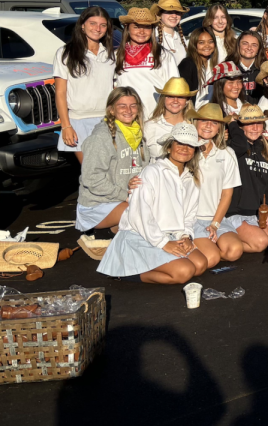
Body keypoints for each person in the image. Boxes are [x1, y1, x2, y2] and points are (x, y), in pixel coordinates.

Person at [96, 122, 208, 284]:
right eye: (180, 143)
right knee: (185, 271)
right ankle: (127, 274)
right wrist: (163, 243)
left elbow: (189, 216)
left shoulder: (191, 179)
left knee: (200, 264)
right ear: (169, 147)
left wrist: (185, 236)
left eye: (190, 146)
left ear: (194, 152)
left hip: (171, 234)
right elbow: (139, 213)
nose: (184, 148)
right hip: (142, 235)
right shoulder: (152, 171)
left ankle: (156, 264)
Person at [76, 87, 148, 234]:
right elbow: (91, 179)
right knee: (143, 213)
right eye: (122, 105)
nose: (128, 110)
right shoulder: (101, 137)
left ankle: (116, 233)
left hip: (124, 198)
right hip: (97, 204)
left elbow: (145, 168)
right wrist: (125, 195)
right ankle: (102, 234)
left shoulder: (137, 133)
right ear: (112, 110)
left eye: (133, 105)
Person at [54, 6, 117, 161]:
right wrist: (66, 126)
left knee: (111, 172)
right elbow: (60, 93)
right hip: (78, 121)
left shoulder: (111, 55)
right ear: (82, 25)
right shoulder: (65, 53)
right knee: (91, 173)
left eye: (103, 25)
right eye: (92, 23)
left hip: (107, 121)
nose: (98, 29)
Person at [185, 103, 244, 268]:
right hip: (191, 219)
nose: (208, 125)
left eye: (214, 122)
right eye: (203, 120)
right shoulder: (184, 149)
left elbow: (227, 194)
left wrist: (215, 224)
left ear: (220, 128)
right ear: (195, 122)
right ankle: (198, 249)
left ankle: (205, 249)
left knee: (234, 251)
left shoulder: (227, 154)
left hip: (215, 217)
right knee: (211, 258)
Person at [221, 102, 268, 253]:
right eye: (249, 124)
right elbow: (241, 144)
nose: (255, 128)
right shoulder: (234, 148)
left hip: (257, 212)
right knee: (261, 242)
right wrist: (233, 123)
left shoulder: (265, 149)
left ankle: (234, 243)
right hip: (236, 212)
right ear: (241, 127)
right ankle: (223, 247)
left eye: (259, 123)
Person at [115, 7, 179, 114]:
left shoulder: (163, 55)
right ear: (127, 28)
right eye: (136, 27)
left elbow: (175, 88)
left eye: (147, 27)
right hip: (127, 114)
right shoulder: (116, 56)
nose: (142, 32)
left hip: (156, 114)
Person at [144, 78, 197, 158]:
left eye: (180, 97)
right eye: (170, 96)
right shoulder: (149, 126)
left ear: (187, 101)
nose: (175, 101)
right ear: (163, 99)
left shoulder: (194, 126)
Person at [179, 27, 219, 106]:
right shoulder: (187, 64)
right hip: (192, 112)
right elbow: (183, 94)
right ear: (194, 44)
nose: (207, 46)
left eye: (210, 42)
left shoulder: (215, 64)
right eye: (201, 42)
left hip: (210, 112)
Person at [151, 0, 189, 64]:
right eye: (169, 12)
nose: (174, 16)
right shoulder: (153, 36)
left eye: (177, 12)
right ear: (159, 15)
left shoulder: (181, 38)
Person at [231, 31, 264, 99]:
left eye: (254, 45)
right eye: (245, 43)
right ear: (238, 45)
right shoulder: (227, 68)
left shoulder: (265, 69)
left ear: (259, 49)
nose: (249, 48)